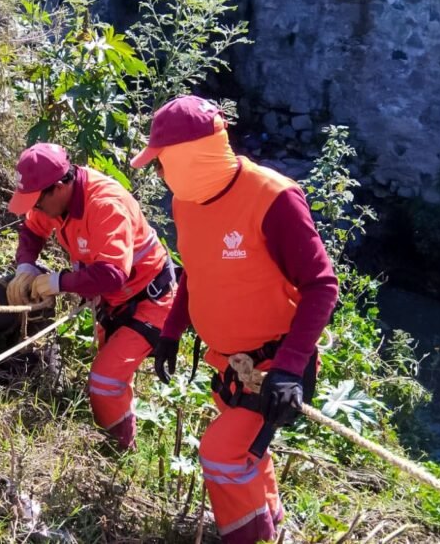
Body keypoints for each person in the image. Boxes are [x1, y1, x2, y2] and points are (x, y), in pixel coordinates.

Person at [130, 95, 339, 543]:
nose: (159, 172)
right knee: (248, 457)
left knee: (221, 454)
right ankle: (273, 526)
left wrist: (288, 368)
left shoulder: (273, 198)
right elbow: (196, 270)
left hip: (272, 368)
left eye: (162, 161)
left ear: (189, 156)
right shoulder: (187, 201)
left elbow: (322, 285)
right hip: (226, 363)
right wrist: (171, 330)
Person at [5, 142, 177, 450]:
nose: (35, 209)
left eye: (37, 202)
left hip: (149, 301)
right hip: (113, 303)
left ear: (58, 187)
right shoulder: (55, 203)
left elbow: (112, 274)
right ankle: (117, 437)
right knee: (112, 380)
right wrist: (26, 266)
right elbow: (32, 231)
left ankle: (118, 451)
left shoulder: (105, 205)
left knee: (105, 382)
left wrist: (58, 282)